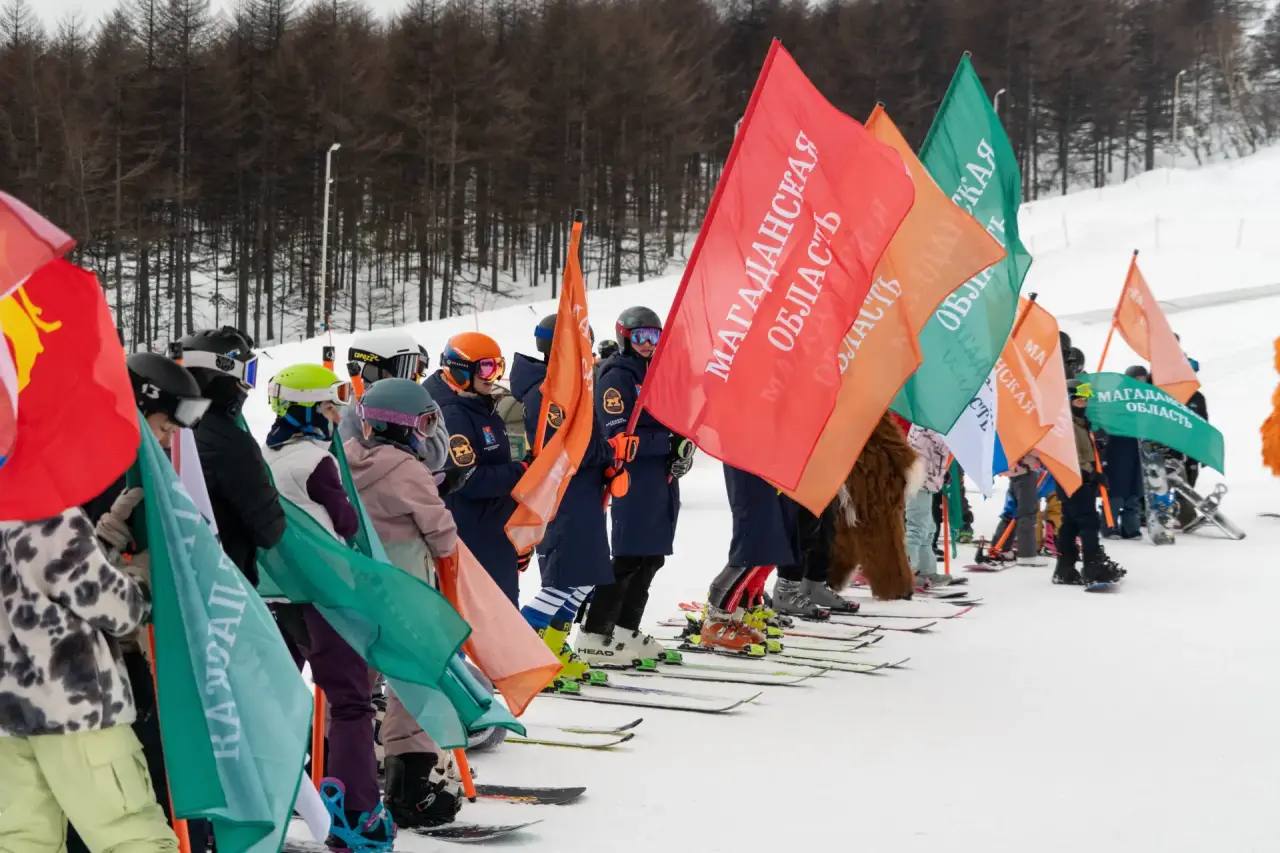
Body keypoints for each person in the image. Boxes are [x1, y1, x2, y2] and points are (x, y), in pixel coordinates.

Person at [68, 352, 210, 853]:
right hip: (89, 660)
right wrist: (137, 574)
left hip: (112, 652)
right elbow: (75, 571)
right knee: (116, 783)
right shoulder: (98, 464)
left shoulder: (126, 461)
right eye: (165, 426)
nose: (170, 439)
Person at [263, 363, 394, 852]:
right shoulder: (316, 462)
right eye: (330, 404)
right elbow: (346, 522)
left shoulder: (267, 456)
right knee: (351, 700)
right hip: (325, 595)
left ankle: (268, 795)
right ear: (309, 408)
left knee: (273, 700)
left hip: (277, 594)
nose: (336, 414)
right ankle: (355, 809)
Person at [0, 508, 179, 853]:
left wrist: (103, 545)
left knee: (20, 842)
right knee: (130, 837)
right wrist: (141, 571)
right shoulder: (47, 509)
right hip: (77, 709)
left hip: (6, 722)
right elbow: (119, 610)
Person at [343, 378, 465, 830]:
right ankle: (409, 788)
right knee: (412, 685)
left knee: (356, 686)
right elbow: (441, 533)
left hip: (356, 592)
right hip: (406, 596)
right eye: (427, 423)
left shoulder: (346, 460)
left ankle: (341, 771)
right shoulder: (409, 470)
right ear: (411, 425)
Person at [509, 315, 634, 673]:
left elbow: (587, 439)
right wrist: (604, 455)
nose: (589, 356)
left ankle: (552, 649)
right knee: (564, 582)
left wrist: (611, 458)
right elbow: (561, 448)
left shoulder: (573, 387)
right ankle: (524, 656)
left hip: (585, 492)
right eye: (582, 349)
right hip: (563, 496)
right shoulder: (544, 393)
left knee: (584, 580)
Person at [579, 307, 689, 659]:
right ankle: (595, 633)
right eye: (640, 337)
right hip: (632, 477)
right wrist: (665, 444)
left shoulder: (657, 372)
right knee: (628, 557)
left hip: (660, 477)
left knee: (652, 557)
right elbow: (618, 433)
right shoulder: (617, 376)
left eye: (654, 337)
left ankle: (625, 629)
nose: (647, 345)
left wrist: (681, 446)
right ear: (625, 337)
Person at [426, 332, 530, 604]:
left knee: (501, 614)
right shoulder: (451, 413)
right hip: (472, 535)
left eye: (498, 366)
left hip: (493, 531)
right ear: (460, 370)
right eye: (485, 366)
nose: (492, 375)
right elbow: (468, 479)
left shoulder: (476, 402)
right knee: (490, 616)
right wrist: (522, 470)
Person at [178, 327, 285, 585]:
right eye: (246, 375)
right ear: (220, 376)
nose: (246, 389)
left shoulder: (160, 431)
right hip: (224, 590)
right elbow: (270, 530)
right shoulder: (231, 445)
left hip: (170, 583)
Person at [1053, 379, 1125, 585]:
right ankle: (1092, 567)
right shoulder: (1066, 426)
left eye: (1085, 401)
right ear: (1067, 402)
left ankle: (1064, 568)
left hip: (1078, 481)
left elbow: (1085, 452)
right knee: (1088, 522)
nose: (1083, 404)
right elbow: (1071, 455)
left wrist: (1098, 450)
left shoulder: (1080, 424)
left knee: (1071, 524)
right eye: (1078, 401)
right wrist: (1091, 473)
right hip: (1075, 481)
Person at [1099, 365, 1148, 540]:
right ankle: (1109, 526)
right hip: (1117, 450)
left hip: (1136, 451)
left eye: (1144, 380)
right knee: (1116, 492)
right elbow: (1103, 420)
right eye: (1137, 380)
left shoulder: (1145, 400)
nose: (1141, 384)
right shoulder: (1116, 398)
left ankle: (1131, 528)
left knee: (1134, 492)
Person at [906, 424, 955, 586]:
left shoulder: (930, 424)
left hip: (927, 481)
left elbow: (934, 455)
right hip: (918, 482)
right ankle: (908, 572)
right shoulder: (928, 426)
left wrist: (942, 474)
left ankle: (926, 570)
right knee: (917, 527)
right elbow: (941, 445)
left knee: (928, 528)